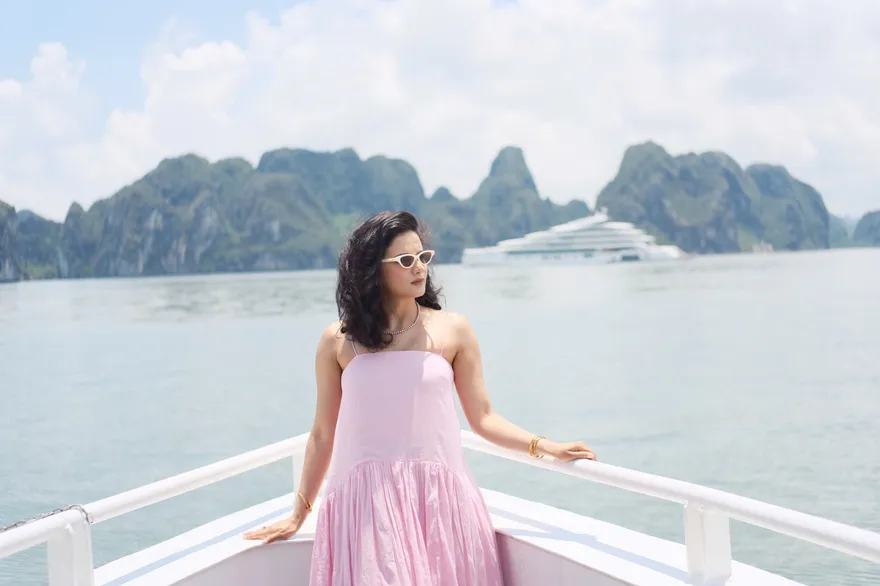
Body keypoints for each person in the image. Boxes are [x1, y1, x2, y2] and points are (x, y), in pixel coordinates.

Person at [244, 210, 597, 585]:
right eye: (405, 260)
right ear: (373, 270)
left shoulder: (453, 330)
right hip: (366, 509)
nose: (419, 268)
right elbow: (322, 433)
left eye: (423, 256)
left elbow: (484, 418)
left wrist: (545, 446)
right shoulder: (338, 340)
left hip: (439, 505)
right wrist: (299, 513)